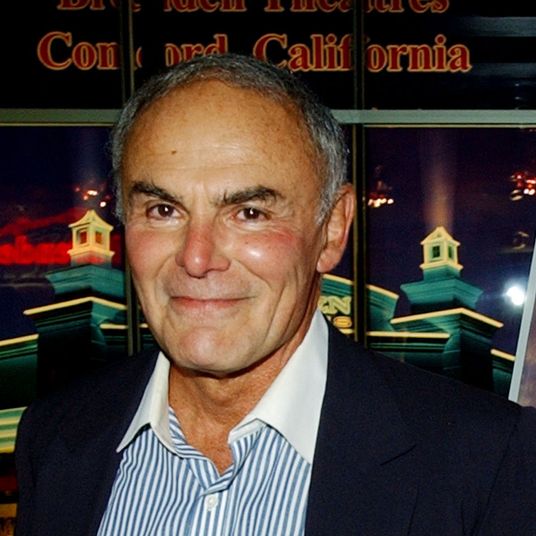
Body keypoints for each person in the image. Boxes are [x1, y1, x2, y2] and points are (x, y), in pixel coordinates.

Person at [14, 53, 536, 535]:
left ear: (332, 229)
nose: (196, 257)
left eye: (249, 213)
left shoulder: (485, 461)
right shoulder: (55, 437)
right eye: (164, 210)